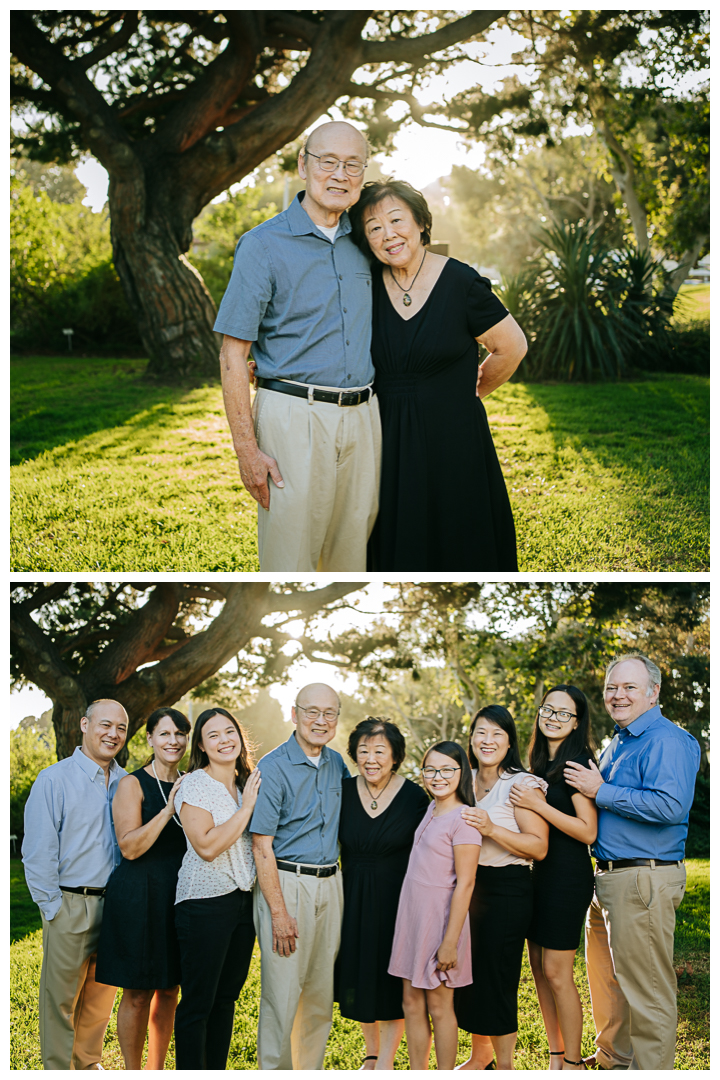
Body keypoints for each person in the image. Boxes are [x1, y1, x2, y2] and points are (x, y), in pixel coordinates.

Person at [216, 121, 381, 571]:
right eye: (327, 161)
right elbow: (233, 356)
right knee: (289, 558)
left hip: (366, 417)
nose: (339, 174)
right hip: (292, 415)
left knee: (355, 554)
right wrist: (247, 452)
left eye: (352, 165)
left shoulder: (370, 241)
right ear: (303, 165)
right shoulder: (262, 245)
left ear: (363, 174)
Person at [349, 180, 527, 571]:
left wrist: (469, 393)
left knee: (460, 532)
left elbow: (511, 347)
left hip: (454, 432)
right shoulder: (363, 286)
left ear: (421, 224)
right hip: (385, 437)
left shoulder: (461, 282)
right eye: (374, 227)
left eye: (397, 220)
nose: (388, 233)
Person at [564, 653, 700, 1071]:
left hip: (642, 879)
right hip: (607, 879)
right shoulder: (621, 740)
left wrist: (599, 790)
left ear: (653, 692)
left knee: (648, 992)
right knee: (607, 983)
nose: (617, 695)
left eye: (628, 687)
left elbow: (671, 807)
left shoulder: (668, 740)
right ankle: (613, 1060)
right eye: (611, 687)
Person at [22, 699, 129, 1070]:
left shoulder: (126, 781)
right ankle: (57, 1069)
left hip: (114, 904)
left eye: (121, 728)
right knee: (60, 999)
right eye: (105, 725)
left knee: (101, 995)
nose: (113, 734)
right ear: (84, 724)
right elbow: (37, 850)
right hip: (70, 902)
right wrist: (52, 906)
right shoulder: (54, 779)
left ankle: (87, 1062)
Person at [250, 683, 350, 1070]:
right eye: (311, 711)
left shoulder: (337, 764)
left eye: (329, 713)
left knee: (319, 993)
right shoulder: (272, 767)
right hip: (287, 884)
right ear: (294, 715)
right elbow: (261, 845)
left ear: (337, 719)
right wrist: (279, 912)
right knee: (282, 993)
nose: (320, 721)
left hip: (331, 883)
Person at [95, 707, 191, 1070]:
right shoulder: (132, 784)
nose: (173, 741)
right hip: (138, 895)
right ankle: (132, 1071)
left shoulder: (192, 781)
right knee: (137, 993)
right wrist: (168, 809)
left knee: (169, 990)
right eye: (165, 734)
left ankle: (156, 1070)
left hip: (179, 896)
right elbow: (130, 847)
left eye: (180, 734)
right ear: (150, 738)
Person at [508, 687, 598, 1071]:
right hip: (538, 876)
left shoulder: (577, 763)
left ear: (577, 722)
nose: (554, 717)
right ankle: (556, 1056)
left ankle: (574, 1064)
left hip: (568, 879)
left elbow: (588, 831)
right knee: (539, 970)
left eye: (564, 713)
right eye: (549, 709)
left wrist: (538, 805)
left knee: (558, 973)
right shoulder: (541, 763)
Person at [455, 705, 549, 1070]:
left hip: (507, 889)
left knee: (497, 978)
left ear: (509, 742)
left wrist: (491, 828)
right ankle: (481, 1057)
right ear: (472, 738)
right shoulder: (464, 780)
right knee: (472, 977)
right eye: (481, 732)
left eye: (497, 733)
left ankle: (506, 1066)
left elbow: (538, 847)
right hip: (469, 889)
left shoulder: (520, 785)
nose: (487, 740)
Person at [335, 717, 429, 1069]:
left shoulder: (414, 797)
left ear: (395, 756)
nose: (370, 758)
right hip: (351, 895)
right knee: (359, 971)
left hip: (396, 898)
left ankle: (387, 1062)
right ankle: (371, 1054)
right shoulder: (342, 791)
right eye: (363, 751)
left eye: (379, 751)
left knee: (391, 978)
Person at [173, 707, 262, 1070]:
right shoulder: (196, 784)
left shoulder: (247, 782)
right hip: (203, 903)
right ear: (202, 745)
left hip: (242, 903)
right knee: (198, 1002)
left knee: (226, 1000)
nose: (224, 740)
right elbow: (207, 847)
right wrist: (247, 808)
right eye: (213, 735)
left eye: (230, 731)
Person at [388, 741, 481, 1070]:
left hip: (441, 922)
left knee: (439, 1006)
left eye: (446, 770)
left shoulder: (464, 819)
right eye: (430, 769)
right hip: (413, 918)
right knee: (411, 1001)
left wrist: (449, 942)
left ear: (462, 773)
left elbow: (466, 883)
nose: (437, 776)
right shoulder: (432, 808)